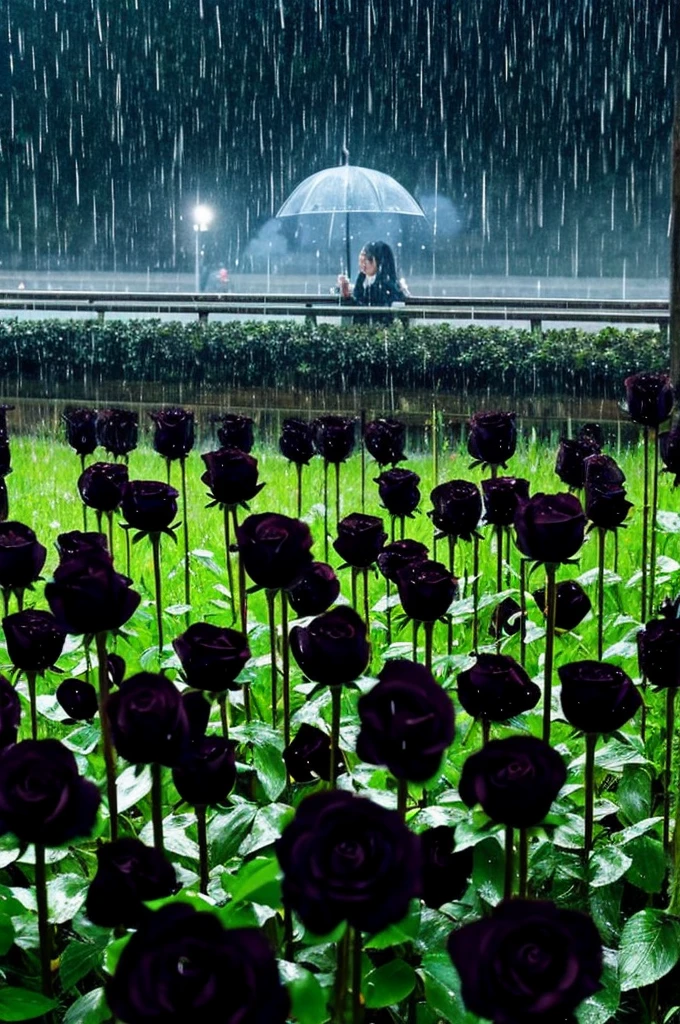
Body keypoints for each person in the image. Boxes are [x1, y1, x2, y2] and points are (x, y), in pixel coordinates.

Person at [337, 241, 408, 325]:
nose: (363, 264)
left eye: (368, 258)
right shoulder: (361, 281)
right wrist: (346, 296)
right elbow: (356, 307)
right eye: (362, 258)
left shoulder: (389, 285)